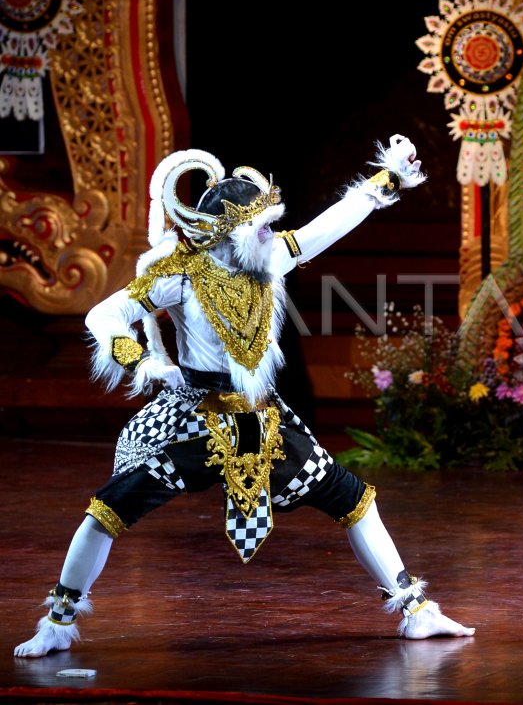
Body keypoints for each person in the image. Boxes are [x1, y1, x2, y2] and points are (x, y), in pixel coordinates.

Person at [14, 136, 474, 658]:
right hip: (193, 418)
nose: (268, 230)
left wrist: (386, 178)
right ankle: (58, 621)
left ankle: (415, 611)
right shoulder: (181, 275)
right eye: (258, 222)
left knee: (353, 500)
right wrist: (143, 362)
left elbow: (328, 225)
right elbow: (104, 314)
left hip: (262, 419)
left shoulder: (270, 256)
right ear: (227, 231)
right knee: (108, 510)